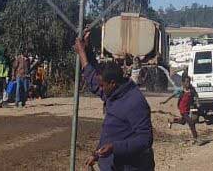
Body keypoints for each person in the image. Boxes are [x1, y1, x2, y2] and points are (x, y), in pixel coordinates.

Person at [74, 28, 155, 171]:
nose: (99, 88)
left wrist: (114, 147)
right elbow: (94, 78)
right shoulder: (113, 92)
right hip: (113, 165)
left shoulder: (134, 102)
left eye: (102, 85)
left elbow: (145, 139)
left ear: (112, 83)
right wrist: (84, 52)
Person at [161, 75, 198, 144]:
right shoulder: (180, 90)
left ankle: (172, 120)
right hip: (182, 109)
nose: (188, 83)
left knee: (183, 122)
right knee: (191, 122)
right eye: (186, 82)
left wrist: (197, 102)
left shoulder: (192, 89)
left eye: (189, 82)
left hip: (187, 108)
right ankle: (195, 138)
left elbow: (196, 95)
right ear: (183, 83)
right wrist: (165, 101)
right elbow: (172, 96)